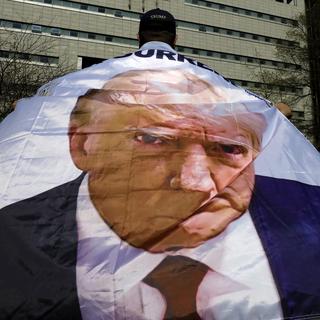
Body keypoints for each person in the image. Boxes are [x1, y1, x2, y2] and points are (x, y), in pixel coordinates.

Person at [1, 8, 320, 320]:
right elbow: (276, 113)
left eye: (227, 148)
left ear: (139, 36)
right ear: (82, 143)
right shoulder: (303, 235)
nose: (196, 183)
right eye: (154, 140)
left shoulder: (13, 243)